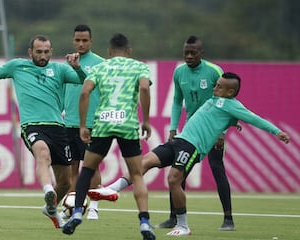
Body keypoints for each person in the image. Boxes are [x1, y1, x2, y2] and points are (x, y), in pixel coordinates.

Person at [94, 72, 290, 236]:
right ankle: (112, 189)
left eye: (219, 86)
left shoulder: (232, 105)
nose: (215, 88)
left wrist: (277, 132)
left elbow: (255, 119)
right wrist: (231, 122)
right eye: (216, 85)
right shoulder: (215, 101)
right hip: (178, 140)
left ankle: (183, 225)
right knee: (144, 162)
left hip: (192, 147)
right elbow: (216, 118)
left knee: (173, 180)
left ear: (230, 92)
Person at [90, 35, 236, 231]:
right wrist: (173, 128)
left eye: (193, 52)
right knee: (177, 174)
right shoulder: (179, 72)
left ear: (202, 53)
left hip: (213, 131)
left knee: (217, 167)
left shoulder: (214, 71)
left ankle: (228, 219)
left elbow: (228, 102)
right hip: (191, 130)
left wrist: (222, 131)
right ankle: (173, 218)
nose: (189, 56)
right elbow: (176, 101)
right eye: (186, 53)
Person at [0, 35, 86, 229]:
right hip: (32, 125)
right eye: (39, 52)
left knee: (65, 182)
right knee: (42, 153)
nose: (43, 55)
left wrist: (78, 68)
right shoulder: (16, 66)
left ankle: (51, 207)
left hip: (57, 127)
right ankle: (48, 190)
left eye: (46, 52)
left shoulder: (60, 69)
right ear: (30, 52)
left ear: (51, 52)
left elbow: (85, 81)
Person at [62, 33, 156, 240]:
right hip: (127, 124)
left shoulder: (99, 67)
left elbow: (85, 93)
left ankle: (77, 212)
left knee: (86, 169)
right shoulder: (139, 67)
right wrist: (146, 120)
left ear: (109, 52)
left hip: (103, 123)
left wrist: (82, 125)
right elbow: (143, 88)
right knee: (137, 174)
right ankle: (144, 222)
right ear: (129, 51)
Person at [63, 24, 104, 220]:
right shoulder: (66, 64)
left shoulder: (101, 64)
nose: (80, 43)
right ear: (73, 40)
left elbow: (97, 87)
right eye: (77, 40)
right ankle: (73, 204)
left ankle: (94, 206)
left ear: (91, 41)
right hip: (69, 122)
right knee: (72, 166)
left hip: (92, 122)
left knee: (92, 166)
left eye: (84, 40)